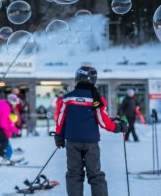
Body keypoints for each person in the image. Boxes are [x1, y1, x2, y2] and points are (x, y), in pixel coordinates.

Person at [54, 66, 128, 196]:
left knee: (73, 175)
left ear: (78, 78)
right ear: (93, 79)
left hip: (72, 141)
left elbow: (60, 119)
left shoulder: (67, 98)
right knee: (95, 175)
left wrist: (59, 137)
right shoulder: (96, 99)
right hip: (90, 143)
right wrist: (119, 127)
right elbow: (103, 121)